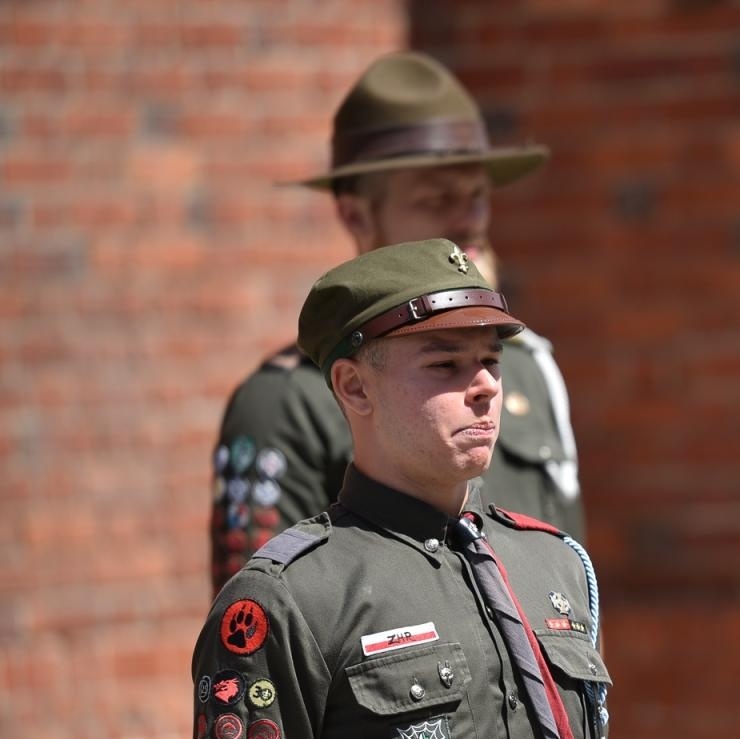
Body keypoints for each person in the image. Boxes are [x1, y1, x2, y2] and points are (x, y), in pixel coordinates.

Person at [183, 239, 624, 739]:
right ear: (353, 386)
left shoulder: (552, 566)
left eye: (490, 359)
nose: (486, 383)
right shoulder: (289, 597)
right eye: (444, 362)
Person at [210, 51, 583, 593]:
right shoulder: (289, 401)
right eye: (436, 200)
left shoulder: (526, 368)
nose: (468, 221)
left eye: (478, 196)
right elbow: (262, 631)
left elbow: (573, 601)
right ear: (356, 215)